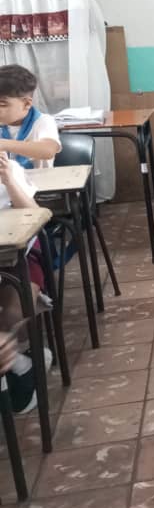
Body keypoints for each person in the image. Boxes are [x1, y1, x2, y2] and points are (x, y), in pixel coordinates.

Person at [0, 155, 50, 414]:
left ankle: (22, 368)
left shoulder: (9, 170)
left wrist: (9, 180)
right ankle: (20, 366)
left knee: (12, 313)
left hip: (19, 260)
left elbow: (35, 216)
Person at [0, 65, 61, 169]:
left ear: (27, 104)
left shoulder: (43, 121)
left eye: (2, 104)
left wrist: (4, 144)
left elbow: (49, 150)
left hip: (39, 179)